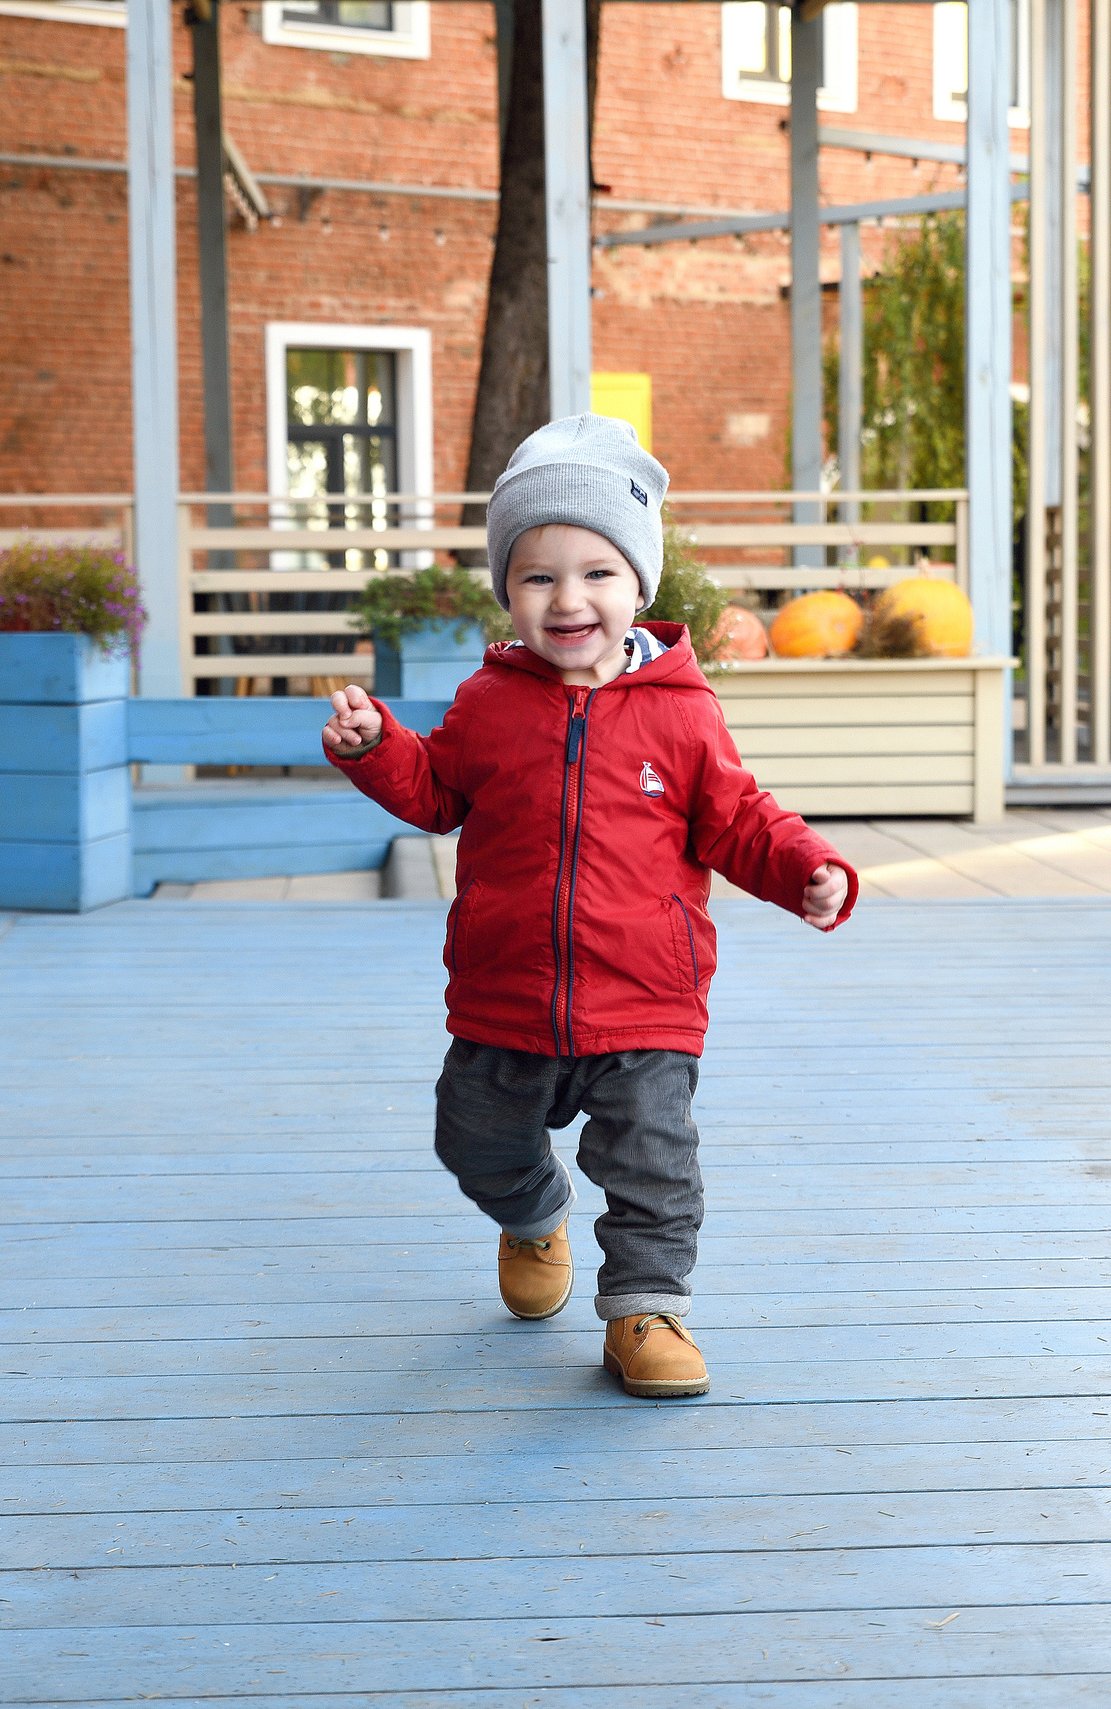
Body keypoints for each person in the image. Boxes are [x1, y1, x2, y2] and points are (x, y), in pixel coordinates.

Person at [320, 414, 857, 1398]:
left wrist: (805, 868)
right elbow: (436, 788)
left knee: (654, 1161)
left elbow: (738, 820)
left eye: (596, 573)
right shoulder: (490, 702)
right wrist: (375, 747)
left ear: (638, 586)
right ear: (509, 593)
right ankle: (532, 1212)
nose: (568, 598)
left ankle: (646, 1309)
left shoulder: (682, 709)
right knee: (471, 1135)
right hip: (506, 993)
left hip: (646, 998)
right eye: (537, 576)